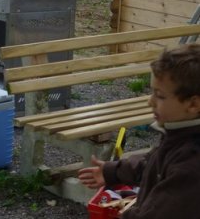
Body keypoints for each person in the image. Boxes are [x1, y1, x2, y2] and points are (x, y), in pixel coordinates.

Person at [78, 43, 200, 218]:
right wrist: (112, 171)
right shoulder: (180, 135)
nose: (150, 102)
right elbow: (151, 164)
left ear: (193, 104)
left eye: (160, 95)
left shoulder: (190, 165)